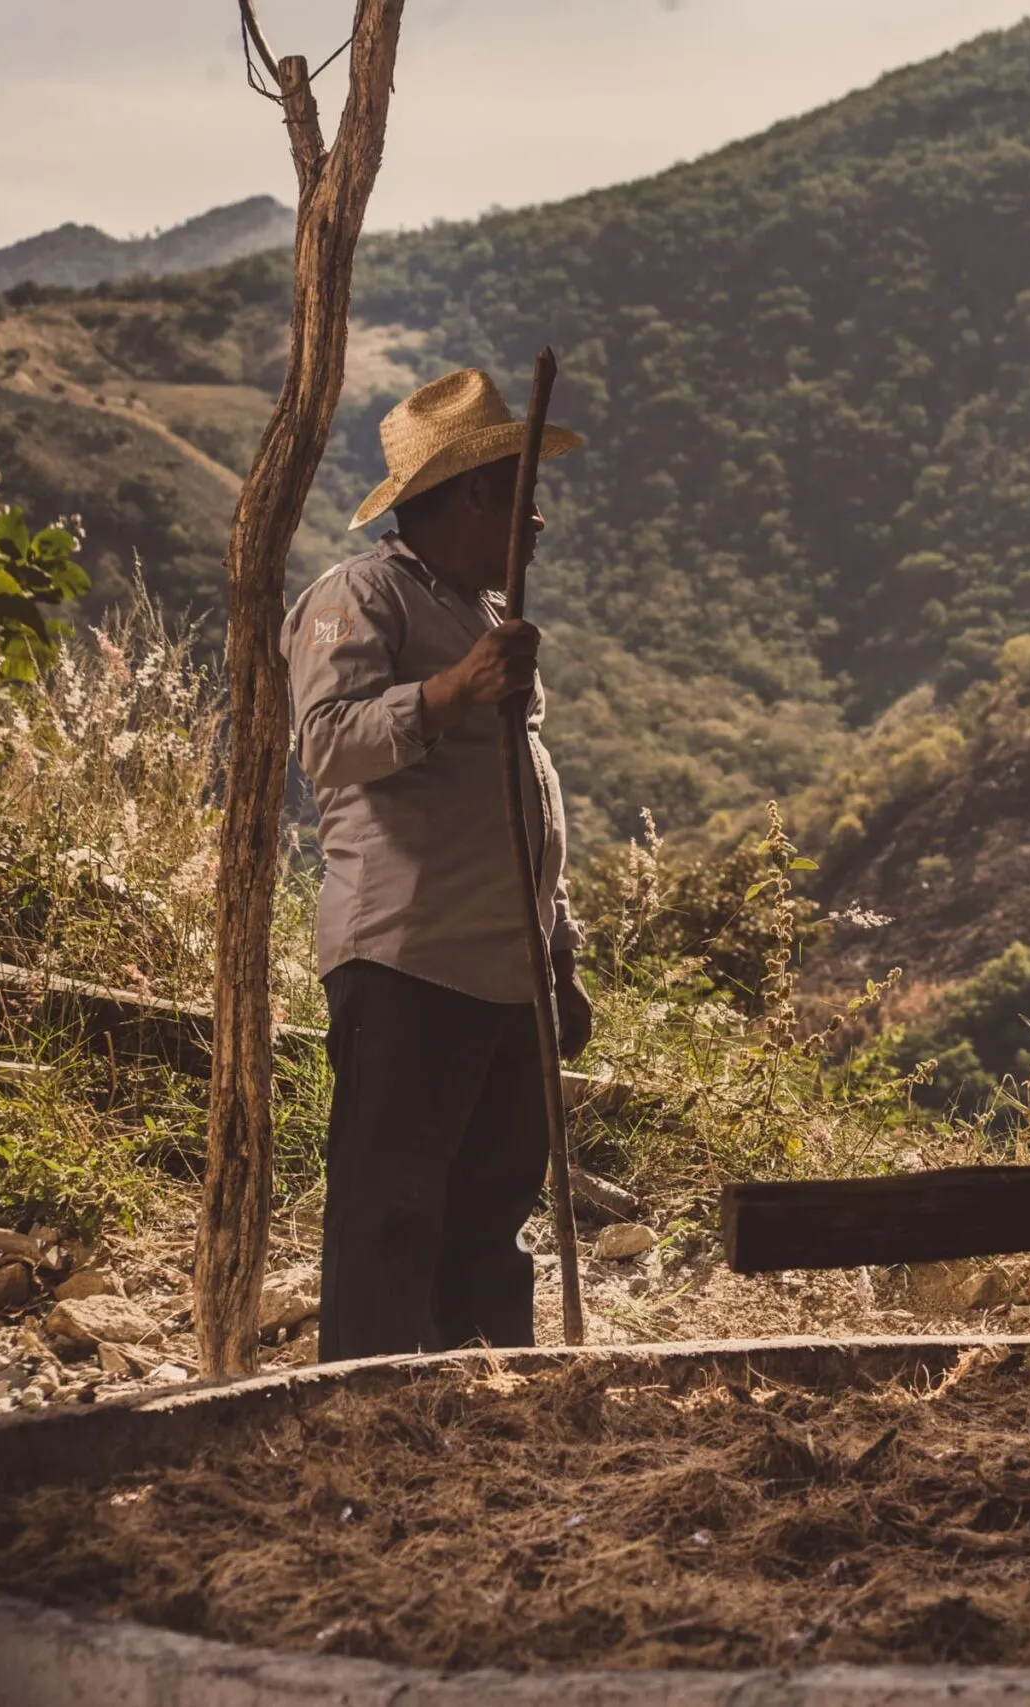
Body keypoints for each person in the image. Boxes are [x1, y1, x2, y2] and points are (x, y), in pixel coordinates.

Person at [282, 366, 592, 1360]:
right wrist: (452, 692)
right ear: (471, 495)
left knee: (489, 1220)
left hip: (506, 973)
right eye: (523, 497)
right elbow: (327, 742)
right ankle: (368, 1415)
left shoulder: (478, 613)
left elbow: (519, 799)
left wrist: (560, 954)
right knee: (390, 1217)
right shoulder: (361, 595)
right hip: (411, 961)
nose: (537, 523)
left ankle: (486, 1406)